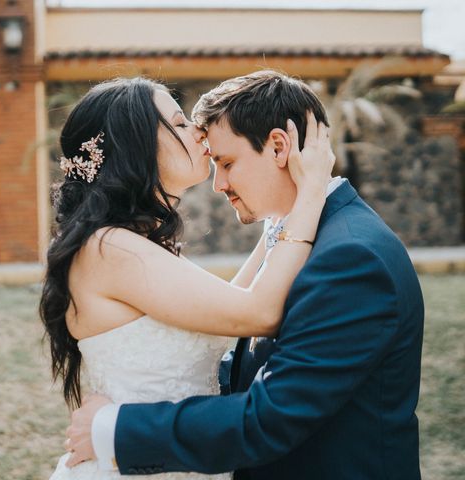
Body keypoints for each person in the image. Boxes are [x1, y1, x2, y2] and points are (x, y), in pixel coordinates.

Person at [65, 71, 424, 480]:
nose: (218, 183)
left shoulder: (352, 257)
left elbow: (271, 413)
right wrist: (303, 199)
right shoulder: (116, 247)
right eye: (180, 123)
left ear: (278, 147)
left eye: (227, 162)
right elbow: (249, 331)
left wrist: (115, 428)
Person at [41, 75, 334, 479]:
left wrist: (286, 206)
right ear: (136, 145)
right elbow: (258, 311)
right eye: (179, 123)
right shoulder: (111, 249)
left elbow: (239, 298)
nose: (197, 132)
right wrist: (312, 192)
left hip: (165, 458)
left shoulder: (130, 243)